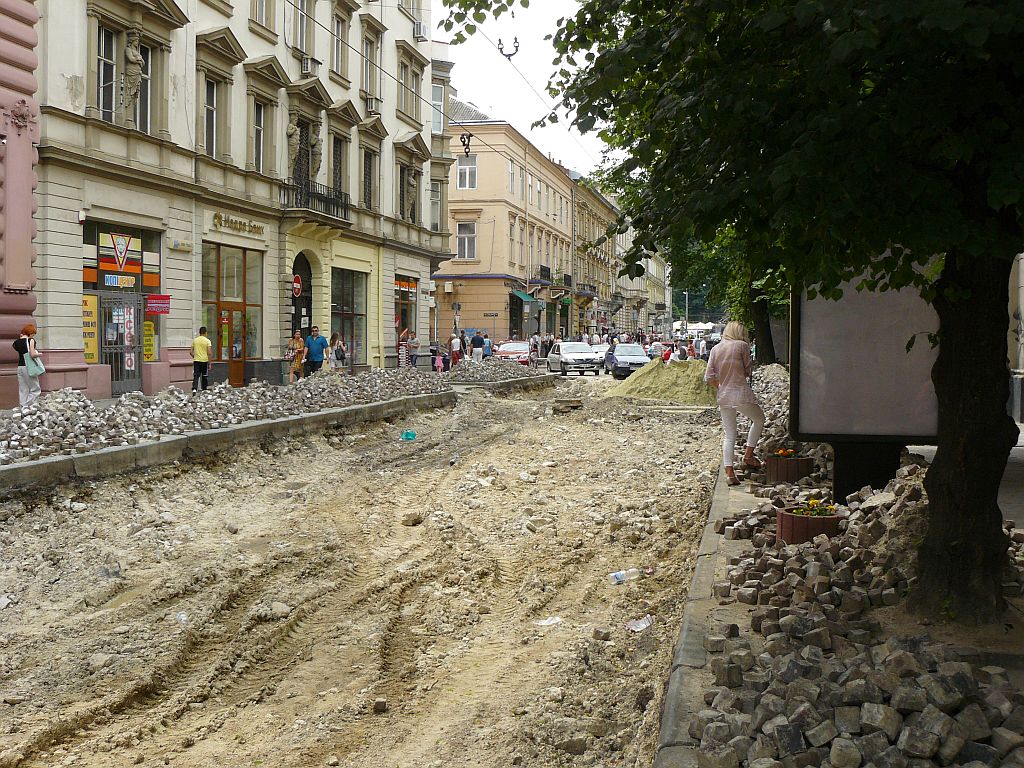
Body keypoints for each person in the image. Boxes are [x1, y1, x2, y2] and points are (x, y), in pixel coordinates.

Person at [704, 321, 765, 486]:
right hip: (740, 393)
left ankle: (730, 473)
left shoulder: (716, 349)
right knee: (759, 419)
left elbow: (708, 377)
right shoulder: (742, 346)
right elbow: (748, 370)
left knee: (730, 434)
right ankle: (749, 454)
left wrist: (721, 385)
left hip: (724, 396)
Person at [13, 324, 42, 406]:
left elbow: (19, 350)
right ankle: (28, 406)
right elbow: (32, 355)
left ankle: (23, 407)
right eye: (33, 333)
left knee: (23, 389)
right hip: (28, 367)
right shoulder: (31, 340)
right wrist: (39, 354)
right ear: (30, 333)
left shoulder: (16, 342)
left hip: (20, 367)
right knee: (35, 389)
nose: (33, 335)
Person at [188, 326, 213, 392]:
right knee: (204, 376)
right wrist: (210, 363)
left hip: (196, 361)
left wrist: (195, 357)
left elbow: (190, 352)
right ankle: (204, 390)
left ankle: (194, 389)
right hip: (204, 361)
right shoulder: (207, 341)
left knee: (196, 375)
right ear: (206, 333)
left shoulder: (195, 340)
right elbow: (209, 353)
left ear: (199, 332)